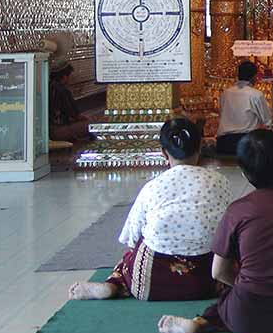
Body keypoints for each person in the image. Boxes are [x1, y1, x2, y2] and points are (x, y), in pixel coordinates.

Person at [157, 130, 273, 333]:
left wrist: (247, 285)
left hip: (246, 317)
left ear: (243, 171)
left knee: (227, 299)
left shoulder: (237, 211)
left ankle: (202, 321)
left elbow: (218, 272)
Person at [68, 119, 230, 301]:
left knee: (132, 252)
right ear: (200, 148)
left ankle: (114, 284)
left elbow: (131, 237)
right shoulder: (219, 181)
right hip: (208, 280)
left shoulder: (152, 187)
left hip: (150, 282)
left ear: (163, 153)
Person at [216, 61, 272, 155]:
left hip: (223, 142)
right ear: (254, 77)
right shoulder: (256, 95)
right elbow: (267, 121)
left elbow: (221, 114)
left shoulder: (225, 93)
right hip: (247, 144)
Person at [48, 63, 93, 143]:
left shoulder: (47, 86)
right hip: (57, 132)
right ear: (64, 77)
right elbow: (75, 115)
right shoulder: (63, 90)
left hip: (46, 131)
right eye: (69, 76)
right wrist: (90, 119)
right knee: (91, 125)